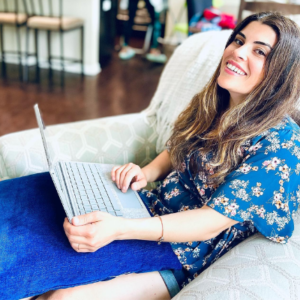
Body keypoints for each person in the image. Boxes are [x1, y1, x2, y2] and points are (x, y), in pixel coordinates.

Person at [38, 11, 300, 300]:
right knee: (36, 257)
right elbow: (181, 146)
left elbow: (209, 222)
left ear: (281, 73)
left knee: (62, 297)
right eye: (238, 40)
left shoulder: (281, 144)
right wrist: (147, 172)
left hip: (187, 251)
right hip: (149, 211)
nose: (238, 52)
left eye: (259, 51)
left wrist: (120, 229)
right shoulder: (216, 100)